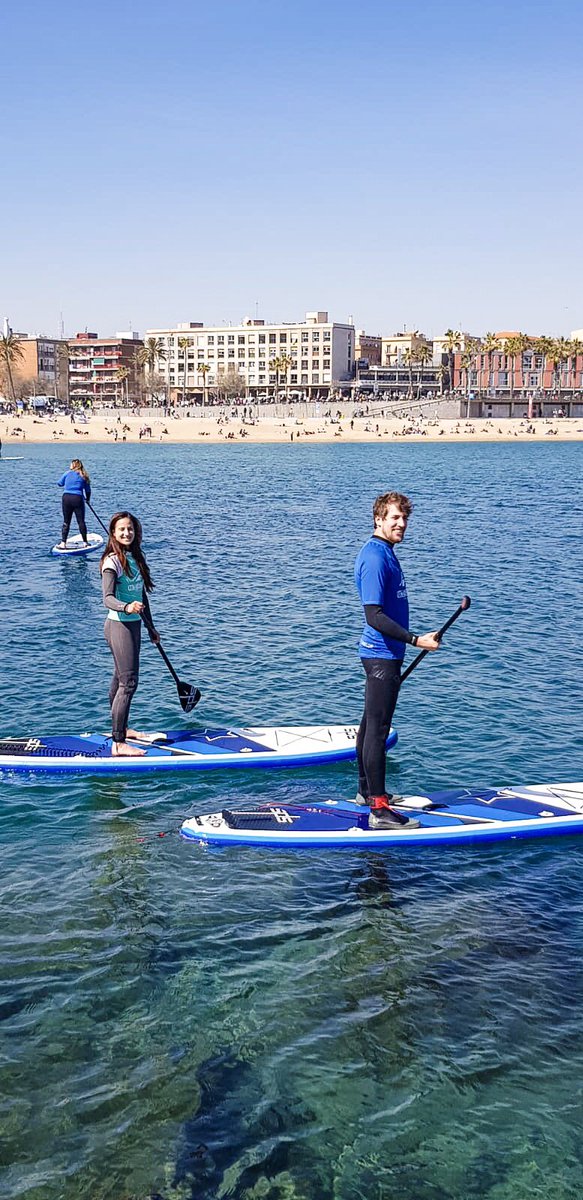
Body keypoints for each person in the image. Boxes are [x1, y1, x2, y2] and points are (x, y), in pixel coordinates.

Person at [354, 491, 440, 830]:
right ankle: (379, 810)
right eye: (394, 518)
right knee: (378, 730)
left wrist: (413, 638)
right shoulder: (375, 557)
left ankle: (366, 793)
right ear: (378, 519)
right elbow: (374, 615)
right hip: (381, 656)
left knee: (369, 726)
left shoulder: (385, 553)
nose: (401, 524)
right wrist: (416, 639)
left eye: (404, 518)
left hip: (385, 655)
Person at [100, 512, 160, 757]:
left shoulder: (134, 558)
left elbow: (141, 596)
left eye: (130, 529)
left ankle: (121, 728)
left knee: (120, 679)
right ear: (113, 533)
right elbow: (107, 599)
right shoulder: (111, 562)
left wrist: (151, 627)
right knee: (129, 683)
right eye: (121, 529)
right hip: (119, 626)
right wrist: (126, 607)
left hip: (135, 625)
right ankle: (118, 743)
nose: (127, 533)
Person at [56, 458, 91, 548]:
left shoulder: (67, 473)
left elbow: (59, 483)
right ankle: (85, 542)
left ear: (73, 465)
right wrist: (87, 499)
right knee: (81, 521)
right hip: (78, 498)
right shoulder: (84, 475)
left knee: (66, 521)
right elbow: (88, 490)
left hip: (66, 498)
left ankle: (63, 543)